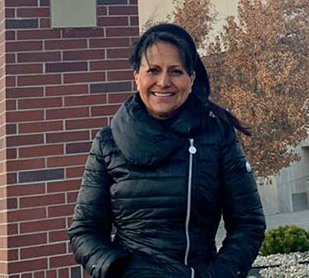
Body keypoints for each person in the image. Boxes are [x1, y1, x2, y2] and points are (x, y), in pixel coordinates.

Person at [69, 23, 266, 278]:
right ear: (136, 75)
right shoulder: (108, 143)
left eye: (176, 71)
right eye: (153, 70)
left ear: (191, 79)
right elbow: (83, 230)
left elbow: (248, 224)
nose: (163, 82)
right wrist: (119, 270)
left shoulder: (218, 136)